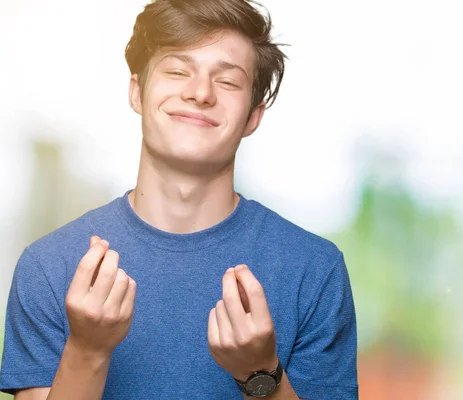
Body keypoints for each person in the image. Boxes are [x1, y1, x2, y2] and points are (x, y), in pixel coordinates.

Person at [0, 0, 358, 399]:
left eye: (227, 81)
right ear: (137, 92)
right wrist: (88, 349)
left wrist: (260, 373)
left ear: (253, 116)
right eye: (176, 71)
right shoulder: (49, 266)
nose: (200, 92)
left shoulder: (314, 270)